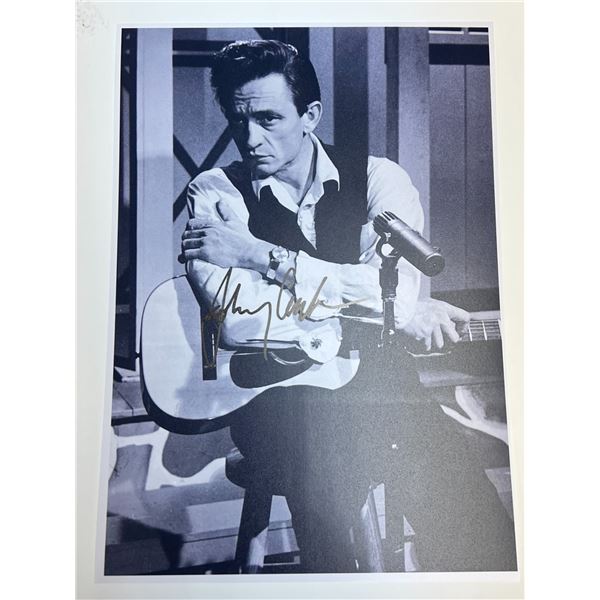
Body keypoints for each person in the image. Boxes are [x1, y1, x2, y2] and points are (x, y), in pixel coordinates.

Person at [180, 39, 516, 572]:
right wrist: (368, 301)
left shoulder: (381, 179)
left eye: (269, 119)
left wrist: (259, 256)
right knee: (327, 495)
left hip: (386, 391)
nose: (250, 138)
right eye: (238, 120)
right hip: (278, 400)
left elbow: (394, 296)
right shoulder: (215, 190)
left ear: (310, 115)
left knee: (472, 517)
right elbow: (239, 321)